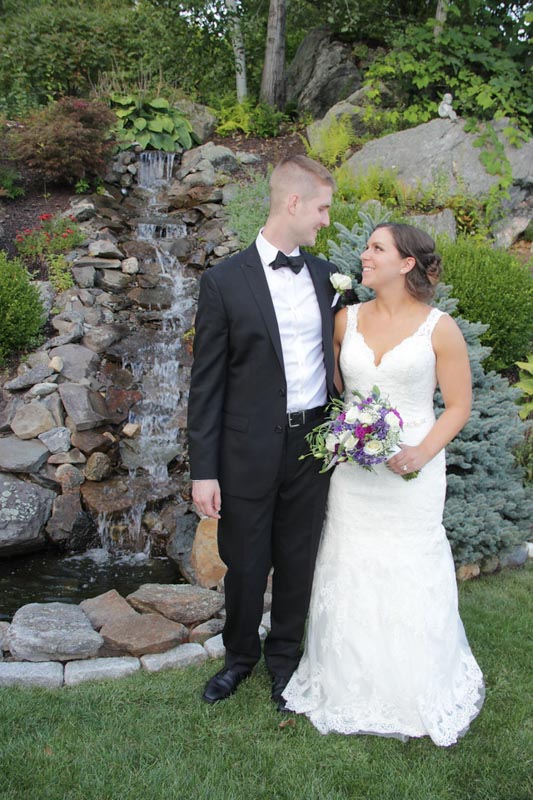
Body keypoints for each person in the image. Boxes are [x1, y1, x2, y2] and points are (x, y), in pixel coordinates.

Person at [283, 222, 485, 746]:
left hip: (413, 469)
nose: (364, 256)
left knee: (409, 563)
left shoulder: (439, 329)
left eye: (377, 249)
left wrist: (421, 450)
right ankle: (345, 680)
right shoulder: (344, 319)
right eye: (367, 247)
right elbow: (324, 386)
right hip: (353, 472)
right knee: (349, 561)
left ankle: (417, 684)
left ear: (406, 263)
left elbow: (459, 405)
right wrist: (339, 437)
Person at [187, 155, 339, 709]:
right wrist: (203, 470)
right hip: (245, 450)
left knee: (298, 558)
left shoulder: (328, 278)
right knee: (246, 562)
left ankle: (285, 662)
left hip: (314, 447)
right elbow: (205, 385)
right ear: (293, 202)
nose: (326, 219)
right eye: (322, 207)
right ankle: (239, 659)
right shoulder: (223, 281)